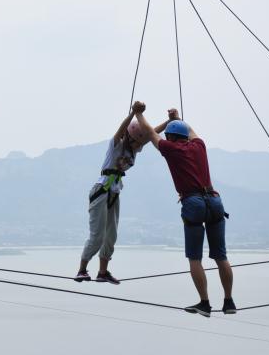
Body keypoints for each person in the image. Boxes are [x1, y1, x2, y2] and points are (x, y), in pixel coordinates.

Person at [133, 102, 236, 317]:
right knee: (221, 256)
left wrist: (139, 114)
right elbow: (190, 130)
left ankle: (205, 303)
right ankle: (229, 302)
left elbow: (150, 133)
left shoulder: (171, 149)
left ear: (171, 138)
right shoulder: (199, 145)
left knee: (195, 258)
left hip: (193, 203)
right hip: (214, 201)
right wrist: (177, 119)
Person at [73, 102, 160, 284]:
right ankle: (81, 270)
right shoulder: (115, 145)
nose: (140, 143)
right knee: (97, 236)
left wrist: (170, 121)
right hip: (101, 190)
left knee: (111, 236)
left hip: (114, 192)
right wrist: (133, 113)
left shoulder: (134, 150)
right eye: (137, 140)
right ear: (130, 137)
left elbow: (152, 133)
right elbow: (120, 130)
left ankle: (102, 272)